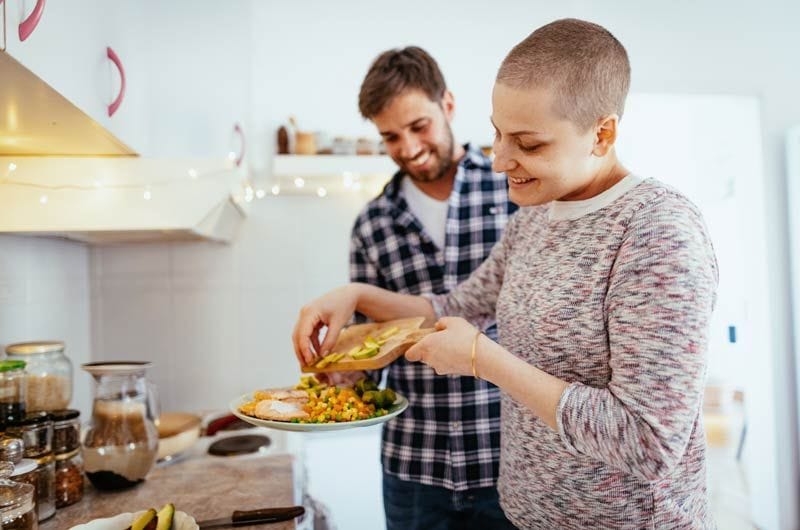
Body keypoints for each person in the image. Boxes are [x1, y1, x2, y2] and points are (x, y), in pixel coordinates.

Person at [294, 19, 718, 530]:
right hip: (524, 516)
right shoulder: (535, 217)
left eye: (528, 143)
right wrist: (355, 293)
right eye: (497, 133)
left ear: (601, 134)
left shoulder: (657, 232)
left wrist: (483, 359)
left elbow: (647, 443)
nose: (500, 161)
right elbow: (454, 308)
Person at [297, 47, 518, 529]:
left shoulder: (512, 189)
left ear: (449, 105)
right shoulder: (372, 224)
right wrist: (343, 372)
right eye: (391, 137)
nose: (410, 147)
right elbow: (369, 353)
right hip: (415, 467)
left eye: (419, 126)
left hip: (511, 458)